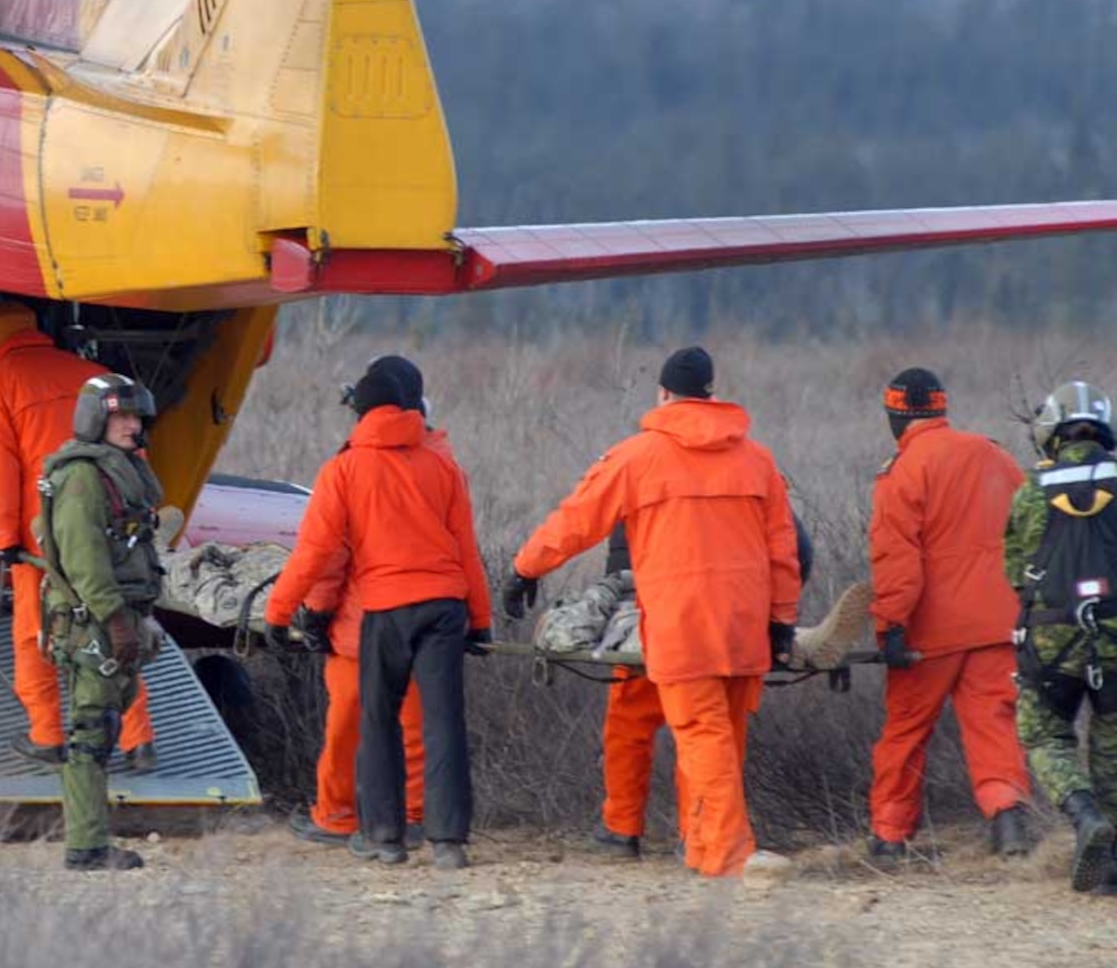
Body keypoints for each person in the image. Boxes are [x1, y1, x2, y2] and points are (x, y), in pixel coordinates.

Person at [506, 346, 799, 880]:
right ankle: (700, 845)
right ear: (712, 393)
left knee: (701, 732)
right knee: (723, 737)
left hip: (682, 623)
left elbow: (576, 520)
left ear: (663, 394)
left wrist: (525, 569)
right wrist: (780, 620)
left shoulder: (638, 456)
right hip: (743, 624)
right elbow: (783, 549)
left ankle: (727, 855)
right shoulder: (757, 460)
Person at [264, 355, 493, 869]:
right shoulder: (442, 465)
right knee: (442, 724)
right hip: (445, 608)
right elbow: (467, 550)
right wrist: (480, 619)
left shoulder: (343, 469)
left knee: (378, 722)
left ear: (362, 412)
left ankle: (383, 838)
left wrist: (280, 612)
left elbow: (316, 553)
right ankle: (449, 842)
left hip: (384, 610)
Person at [0, 302, 153, 771]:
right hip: (111, 524)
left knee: (38, 632)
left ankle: (47, 735)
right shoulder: (95, 377)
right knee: (119, 629)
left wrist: (5, 538)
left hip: (46, 532)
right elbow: (134, 450)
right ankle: (139, 740)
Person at [867, 368, 1033, 864]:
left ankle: (891, 838)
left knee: (905, 731)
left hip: (930, 634)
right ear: (941, 408)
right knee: (994, 726)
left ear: (895, 415)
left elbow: (896, 562)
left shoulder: (903, 472)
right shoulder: (996, 456)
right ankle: (1008, 825)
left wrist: (890, 626)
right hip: (998, 623)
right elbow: (1030, 536)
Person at [589, 513, 816, 858]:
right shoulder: (754, 471)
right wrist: (777, 619)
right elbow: (796, 549)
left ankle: (621, 828)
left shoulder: (641, 469)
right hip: (736, 628)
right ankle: (699, 835)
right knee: (717, 734)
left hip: (663, 621)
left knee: (631, 723)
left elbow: (621, 559)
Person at [34, 374, 168, 871]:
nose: (131, 425)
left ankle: (90, 840)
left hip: (120, 613)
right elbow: (84, 558)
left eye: (135, 417)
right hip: (95, 622)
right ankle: (86, 847)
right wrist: (115, 620)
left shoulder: (120, 472)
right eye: (120, 416)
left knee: (106, 722)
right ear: (96, 419)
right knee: (92, 732)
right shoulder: (84, 478)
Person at [1007, 381, 1117, 893]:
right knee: (1112, 744)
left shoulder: (1031, 491)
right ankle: (1111, 866)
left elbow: (1015, 572)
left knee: (1045, 734)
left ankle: (1085, 815)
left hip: (1053, 638)